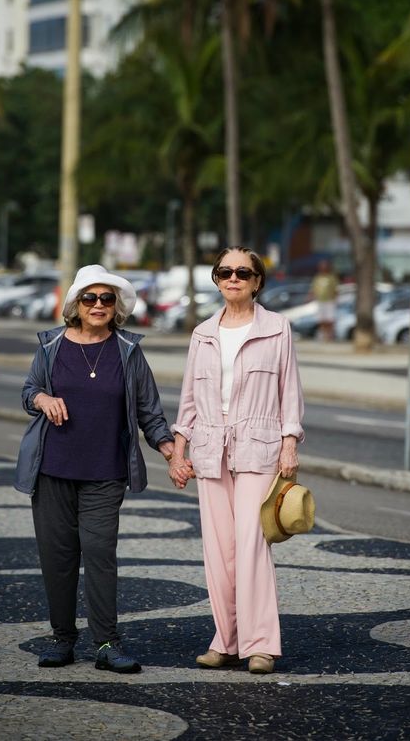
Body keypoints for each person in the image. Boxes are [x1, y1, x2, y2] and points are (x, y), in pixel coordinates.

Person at [15, 264, 182, 674]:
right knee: (58, 558)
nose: (98, 305)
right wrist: (42, 400)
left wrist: (170, 451)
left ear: (116, 306)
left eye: (107, 299)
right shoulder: (51, 345)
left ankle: (107, 642)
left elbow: (149, 412)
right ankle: (62, 639)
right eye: (90, 298)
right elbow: (28, 391)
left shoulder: (127, 350)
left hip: (105, 473)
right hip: (52, 470)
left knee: (100, 554)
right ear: (76, 304)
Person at [169, 246, 304, 674]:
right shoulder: (203, 333)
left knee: (250, 545)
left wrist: (289, 442)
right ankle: (225, 640)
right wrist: (178, 449)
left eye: (242, 272)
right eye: (225, 271)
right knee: (219, 551)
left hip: (258, 447)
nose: (233, 278)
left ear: (257, 281)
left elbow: (290, 393)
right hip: (210, 450)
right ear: (216, 279)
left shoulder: (277, 328)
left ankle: (261, 644)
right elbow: (188, 399)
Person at [310, 259, 338, 341]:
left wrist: (335, 300)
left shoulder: (331, 277)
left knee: (330, 319)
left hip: (329, 301)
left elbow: (336, 290)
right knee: (321, 319)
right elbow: (313, 289)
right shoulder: (317, 277)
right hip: (320, 301)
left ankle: (330, 335)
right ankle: (323, 335)